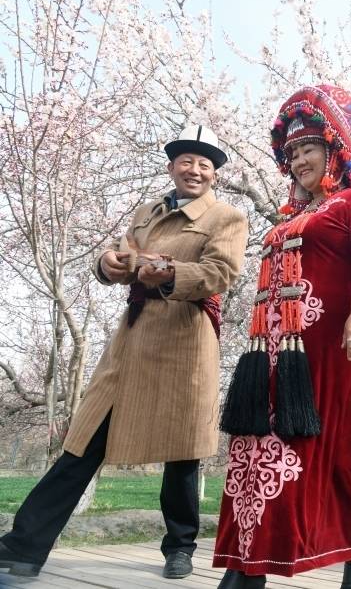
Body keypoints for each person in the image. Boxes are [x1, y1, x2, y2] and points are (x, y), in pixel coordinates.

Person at [0, 126, 248, 580]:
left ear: (214, 175)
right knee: (83, 440)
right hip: (131, 340)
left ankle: (180, 547)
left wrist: (167, 271)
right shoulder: (147, 211)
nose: (195, 170)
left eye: (205, 165)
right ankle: (22, 547)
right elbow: (122, 256)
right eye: (186, 162)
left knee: (183, 450)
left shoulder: (226, 219)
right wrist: (107, 264)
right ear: (173, 167)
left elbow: (220, 274)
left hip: (185, 340)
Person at [212, 85, 351, 589]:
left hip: (335, 346)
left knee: (339, 452)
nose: (297, 159)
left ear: (336, 149)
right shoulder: (290, 214)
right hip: (277, 352)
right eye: (290, 152)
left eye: (308, 147)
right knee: (262, 447)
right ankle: (248, 561)